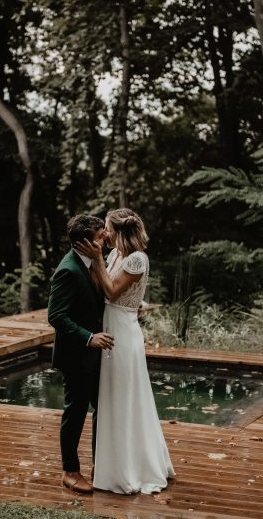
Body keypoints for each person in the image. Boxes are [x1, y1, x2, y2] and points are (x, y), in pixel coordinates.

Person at [75, 207, 175, 495]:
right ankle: (113, 463)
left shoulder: (137, 259)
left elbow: (111, 291)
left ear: (118, 231)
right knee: (111, 397)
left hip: (122, 332)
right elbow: (99, 284)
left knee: (124, 396)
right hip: (110, 325)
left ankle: (132, 468)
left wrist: (95, 259)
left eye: (107, 227)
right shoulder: (115, 255)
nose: (103, 233)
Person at [47, 214, 114, 495]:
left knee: (102, 408)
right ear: (85, 242)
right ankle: (70, 471)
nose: (106, 239)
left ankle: (102, 464)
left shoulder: (91, 264)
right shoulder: (68, 270)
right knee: (75, 412)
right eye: (101, 236)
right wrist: (88, 338)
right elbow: (56, 316)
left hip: (95, 356)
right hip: (76, 355)